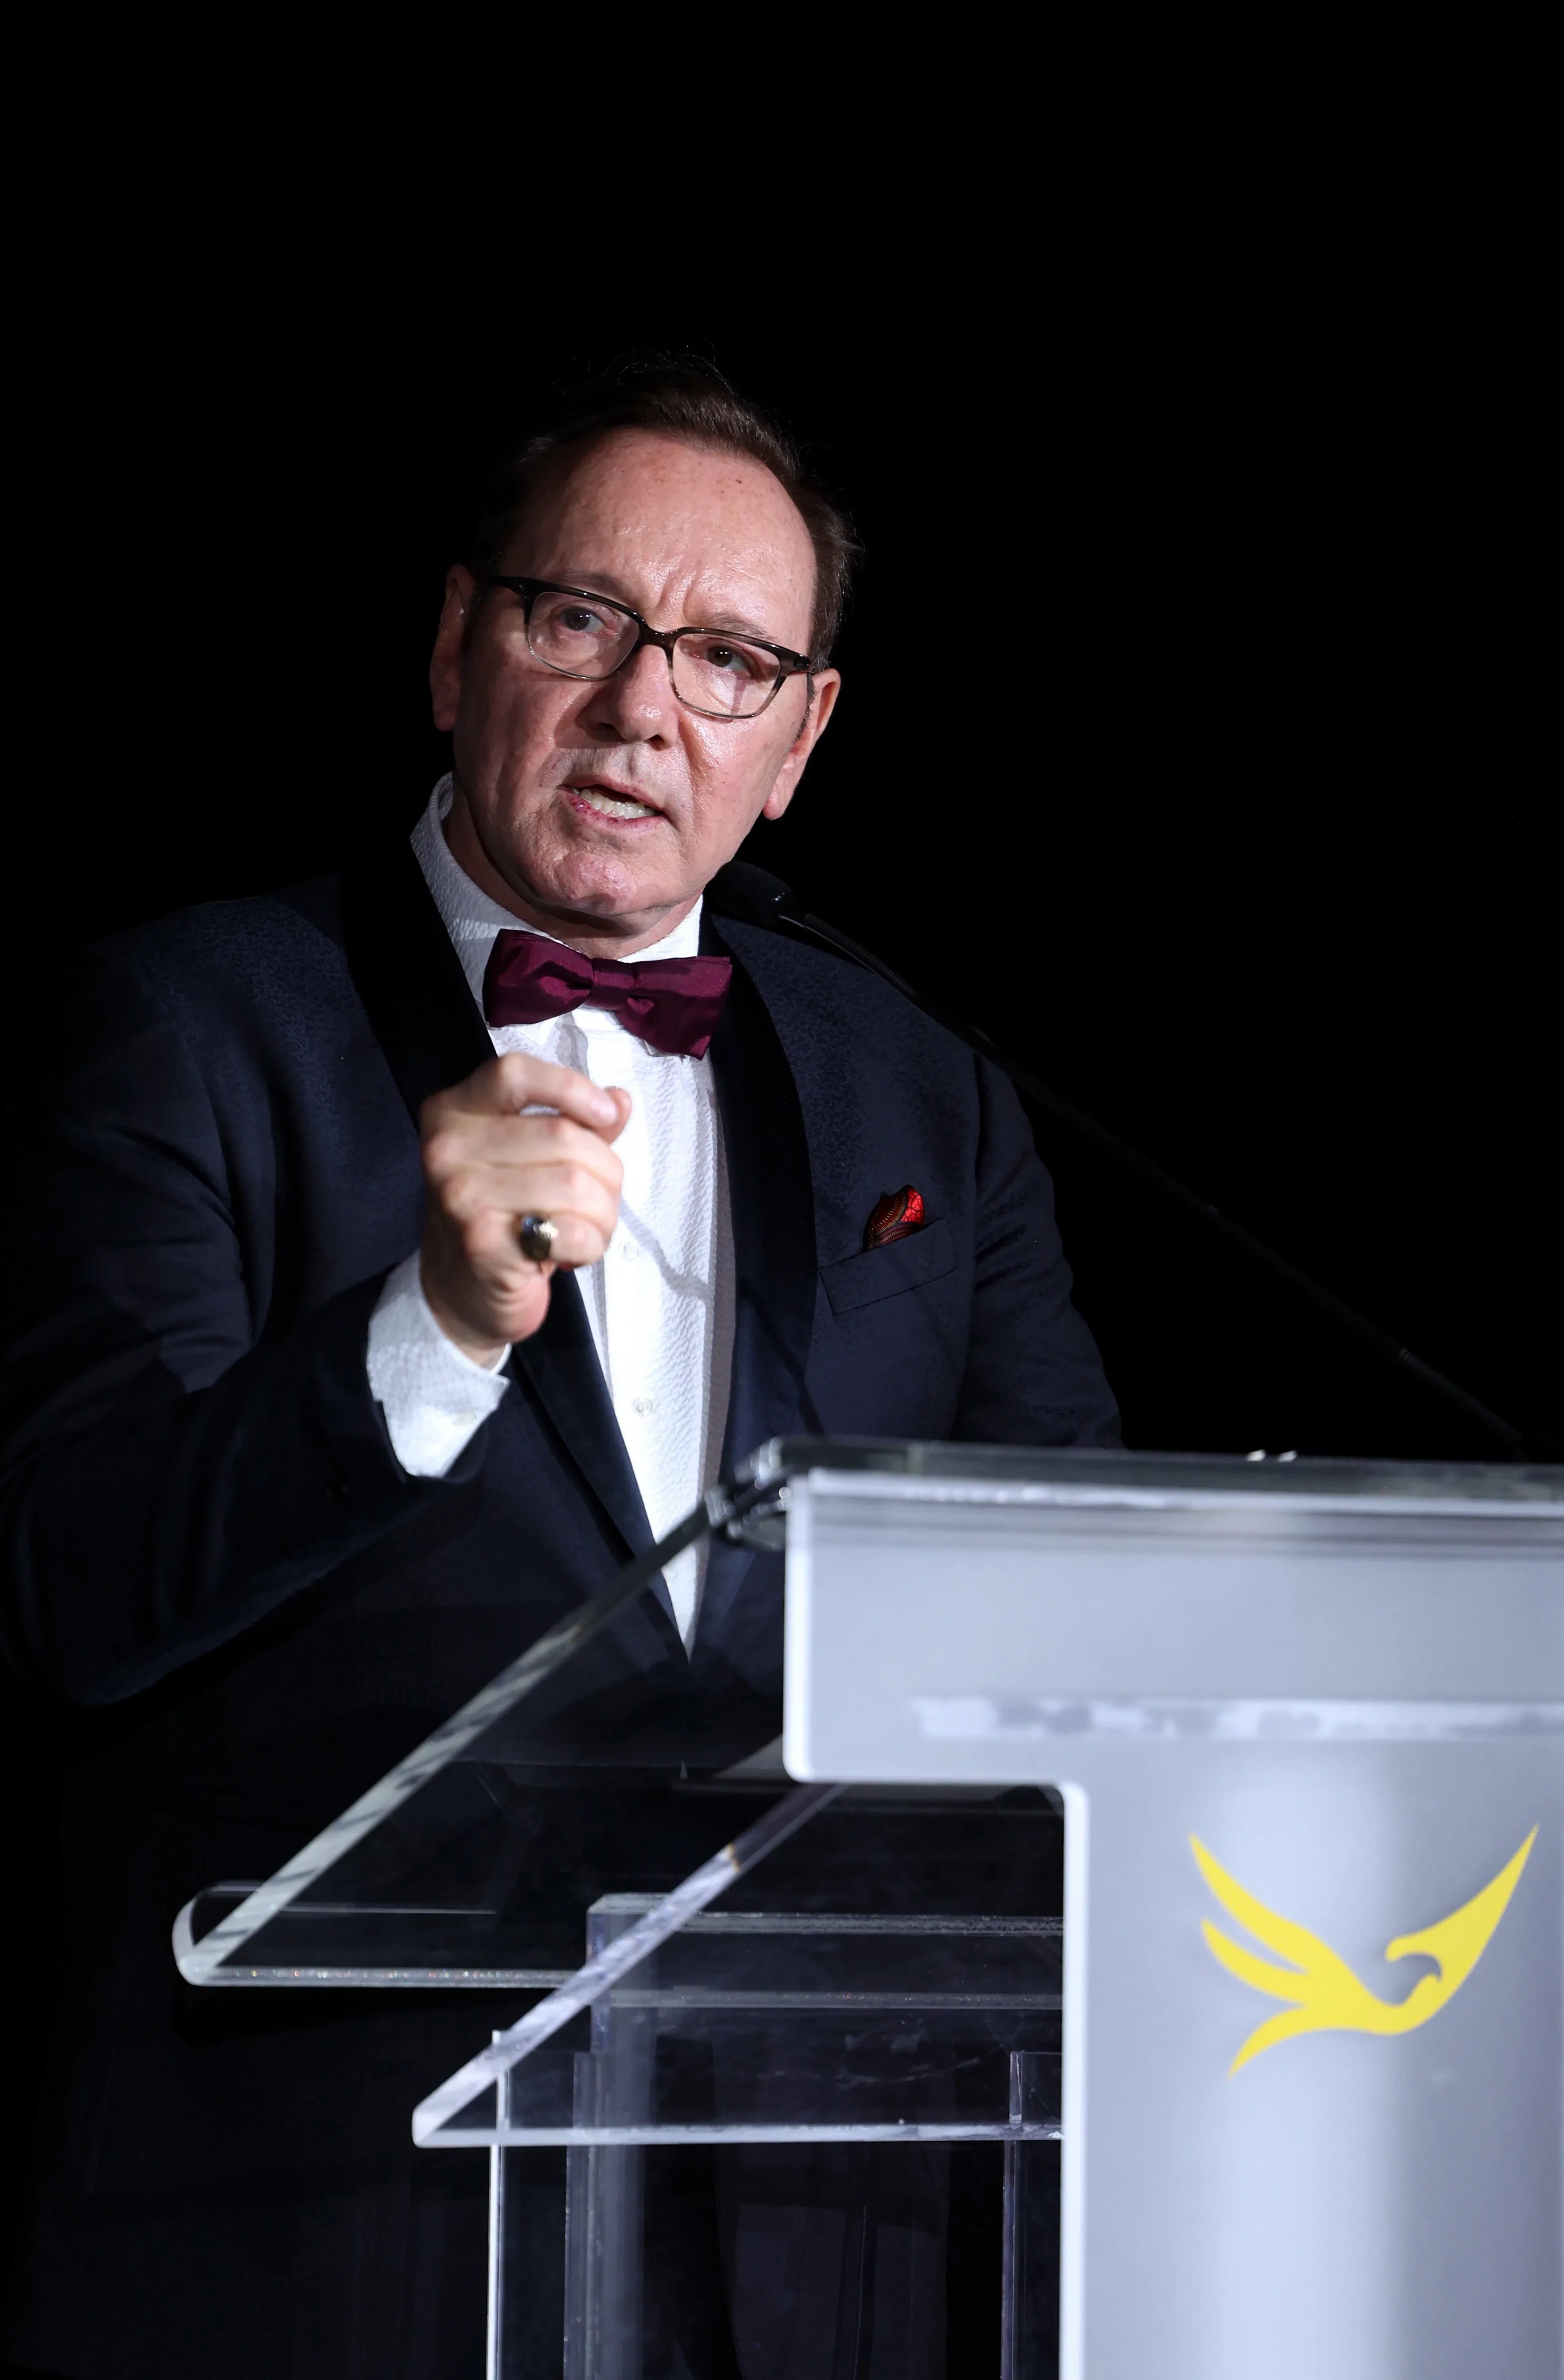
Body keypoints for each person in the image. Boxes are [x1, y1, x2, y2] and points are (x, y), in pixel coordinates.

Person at [0, 363, 1118, 2378]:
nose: (641, 708)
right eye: (580, 618)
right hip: (313, 2228)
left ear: (800, 737)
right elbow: (79, 1597)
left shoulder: (926, 1092)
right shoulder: (184, 1022)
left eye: (727, 660)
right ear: (456, 645)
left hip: (823, 2234)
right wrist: (427, 1331)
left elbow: (1074, 1601)